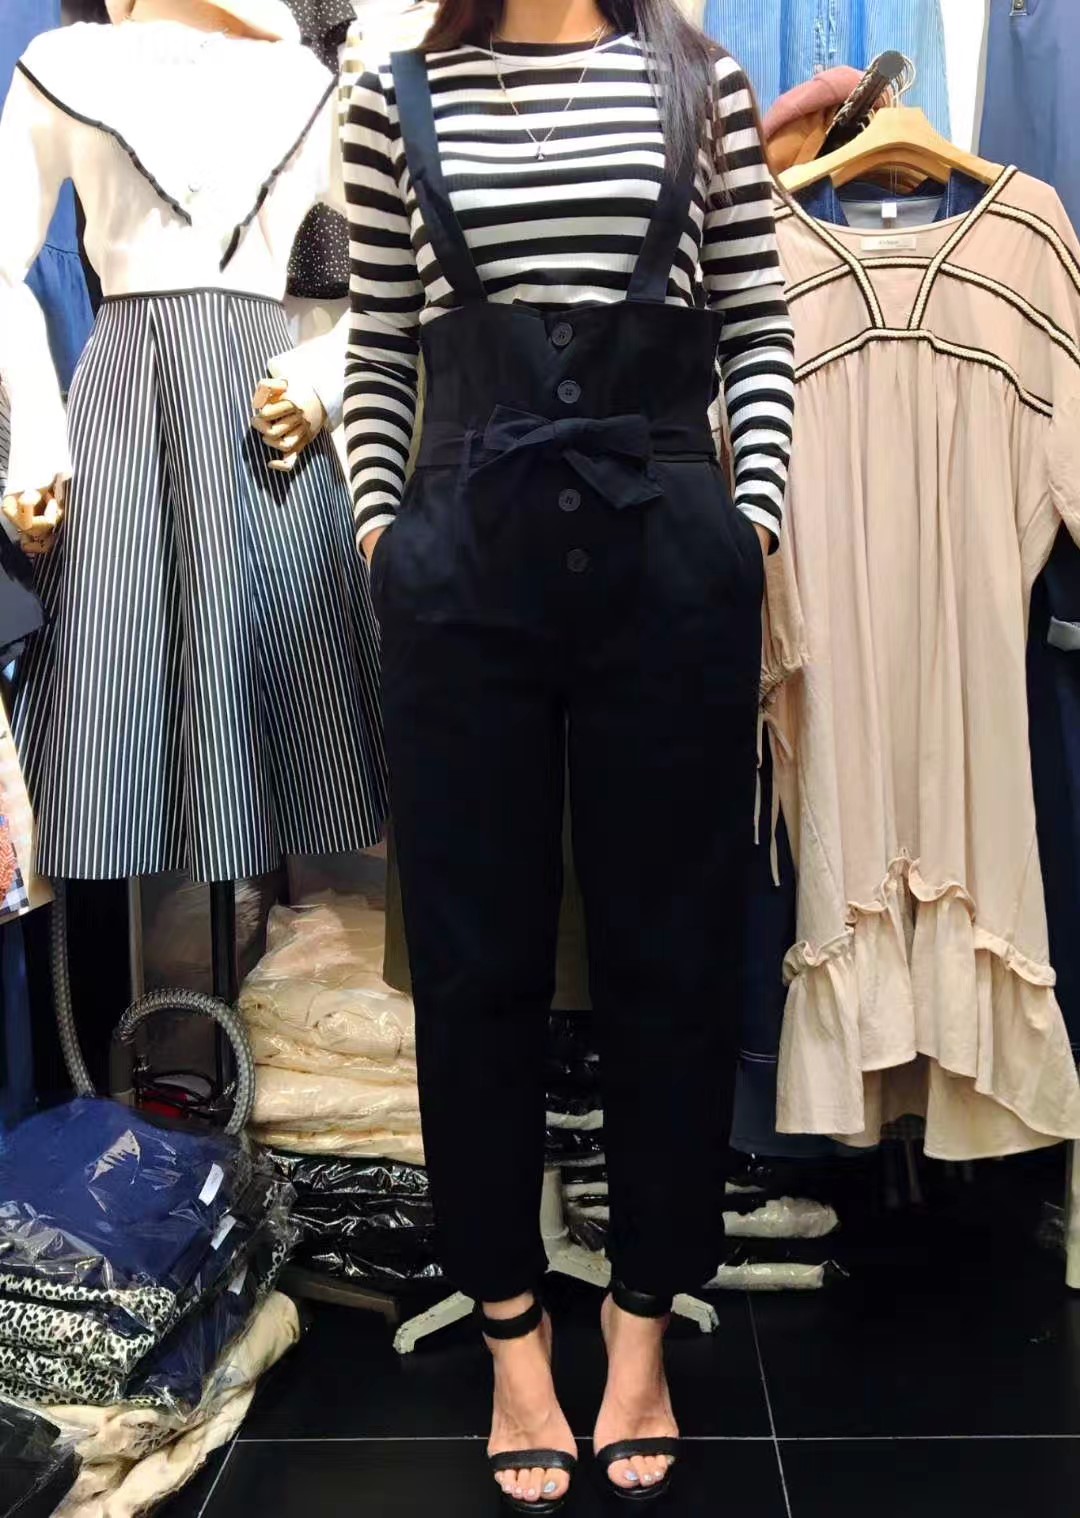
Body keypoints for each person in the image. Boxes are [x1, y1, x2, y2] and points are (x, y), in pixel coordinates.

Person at [341, 0, 793, 1507]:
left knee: (674, 953)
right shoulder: (390, 97)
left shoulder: (704, 86)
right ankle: (514, 1339)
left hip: (670, 560)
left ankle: (641, 1321)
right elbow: (379, 354)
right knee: (476, 965)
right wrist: (386, 536)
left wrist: (750, 525)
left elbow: (758, 326)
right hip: (462, 572)